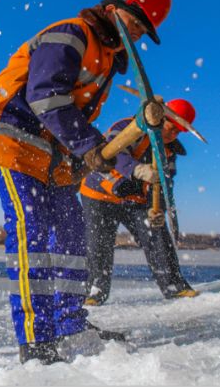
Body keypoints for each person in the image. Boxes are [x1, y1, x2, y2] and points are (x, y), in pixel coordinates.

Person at [0, 0, 171, 365]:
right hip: (12, 145)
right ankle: (37, 340)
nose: (139, 35)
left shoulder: (107, 59)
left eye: (145, 30)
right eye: (137, 23)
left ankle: (71, 324)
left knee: (73, 236)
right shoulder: (71, 34)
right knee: (32, 231)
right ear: (114, 7)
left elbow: (74, 114)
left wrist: (90, 155)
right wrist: (90, 145)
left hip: (54, 160)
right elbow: (47, 97)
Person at [80, 98, 199, 306]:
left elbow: (163, 184)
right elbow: (113, 153)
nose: (174, 135)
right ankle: (94, 291)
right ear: (162, 118)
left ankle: (174, 285)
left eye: (179, 132)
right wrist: (137, 170)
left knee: (157, 234)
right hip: (99, 195)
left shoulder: (168, 150)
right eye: (173, 128)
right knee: (98, 243)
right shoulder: (128, 127)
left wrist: (157, 210)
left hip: (135, 199)